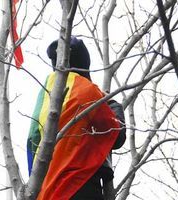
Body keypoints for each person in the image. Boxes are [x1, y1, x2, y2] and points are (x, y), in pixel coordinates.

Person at [27, 36, 126, 200]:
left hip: (46, 192)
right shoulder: (88, 91)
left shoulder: (45, 95)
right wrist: (114, 105)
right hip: (79, 187)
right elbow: (117, 136)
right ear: (84, 64)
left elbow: (32, 140)